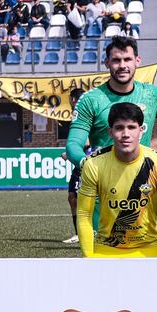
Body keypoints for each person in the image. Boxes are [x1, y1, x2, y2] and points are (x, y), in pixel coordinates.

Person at [77, 102, 157, 258]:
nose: (125, 134)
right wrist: (88, 257)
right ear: (110, 132)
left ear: (141, 131)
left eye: (131, 127)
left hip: (150, 247)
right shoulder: (93, 164)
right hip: (107, 248)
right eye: (119, 128)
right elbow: (84, 214)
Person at [66, 36, 157, 170]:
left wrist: (148, 148)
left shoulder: (152, 94)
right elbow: (73, 145)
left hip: (143, 182)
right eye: (116, 60)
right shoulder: (90, 100)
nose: (122, 66)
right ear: (107, 63)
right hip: (104, 182)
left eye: (127, 59)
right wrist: (89, 167)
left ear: (137, 61)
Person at [62, 88, 88, 245]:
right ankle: (80, 234)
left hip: (87, 162)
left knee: (81, 198)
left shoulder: (84, 111)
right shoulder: (77, 115)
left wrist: (70, 153)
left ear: (72, 100)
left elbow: (90, 139)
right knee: (73, 197)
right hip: (80, 164)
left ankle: (87, 233)